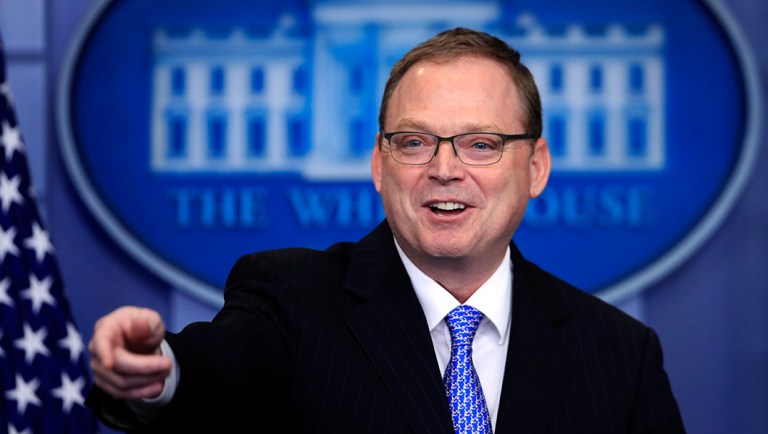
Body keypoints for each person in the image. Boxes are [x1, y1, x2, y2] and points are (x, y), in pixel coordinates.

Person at [86, 27, 685, 433]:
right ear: (379, 165)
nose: (444, 169)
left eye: (481, 144)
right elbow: (214, 376)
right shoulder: (291, 298)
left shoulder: (620, 353)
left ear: (535, 167)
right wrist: (159, 368)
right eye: (415, 142)